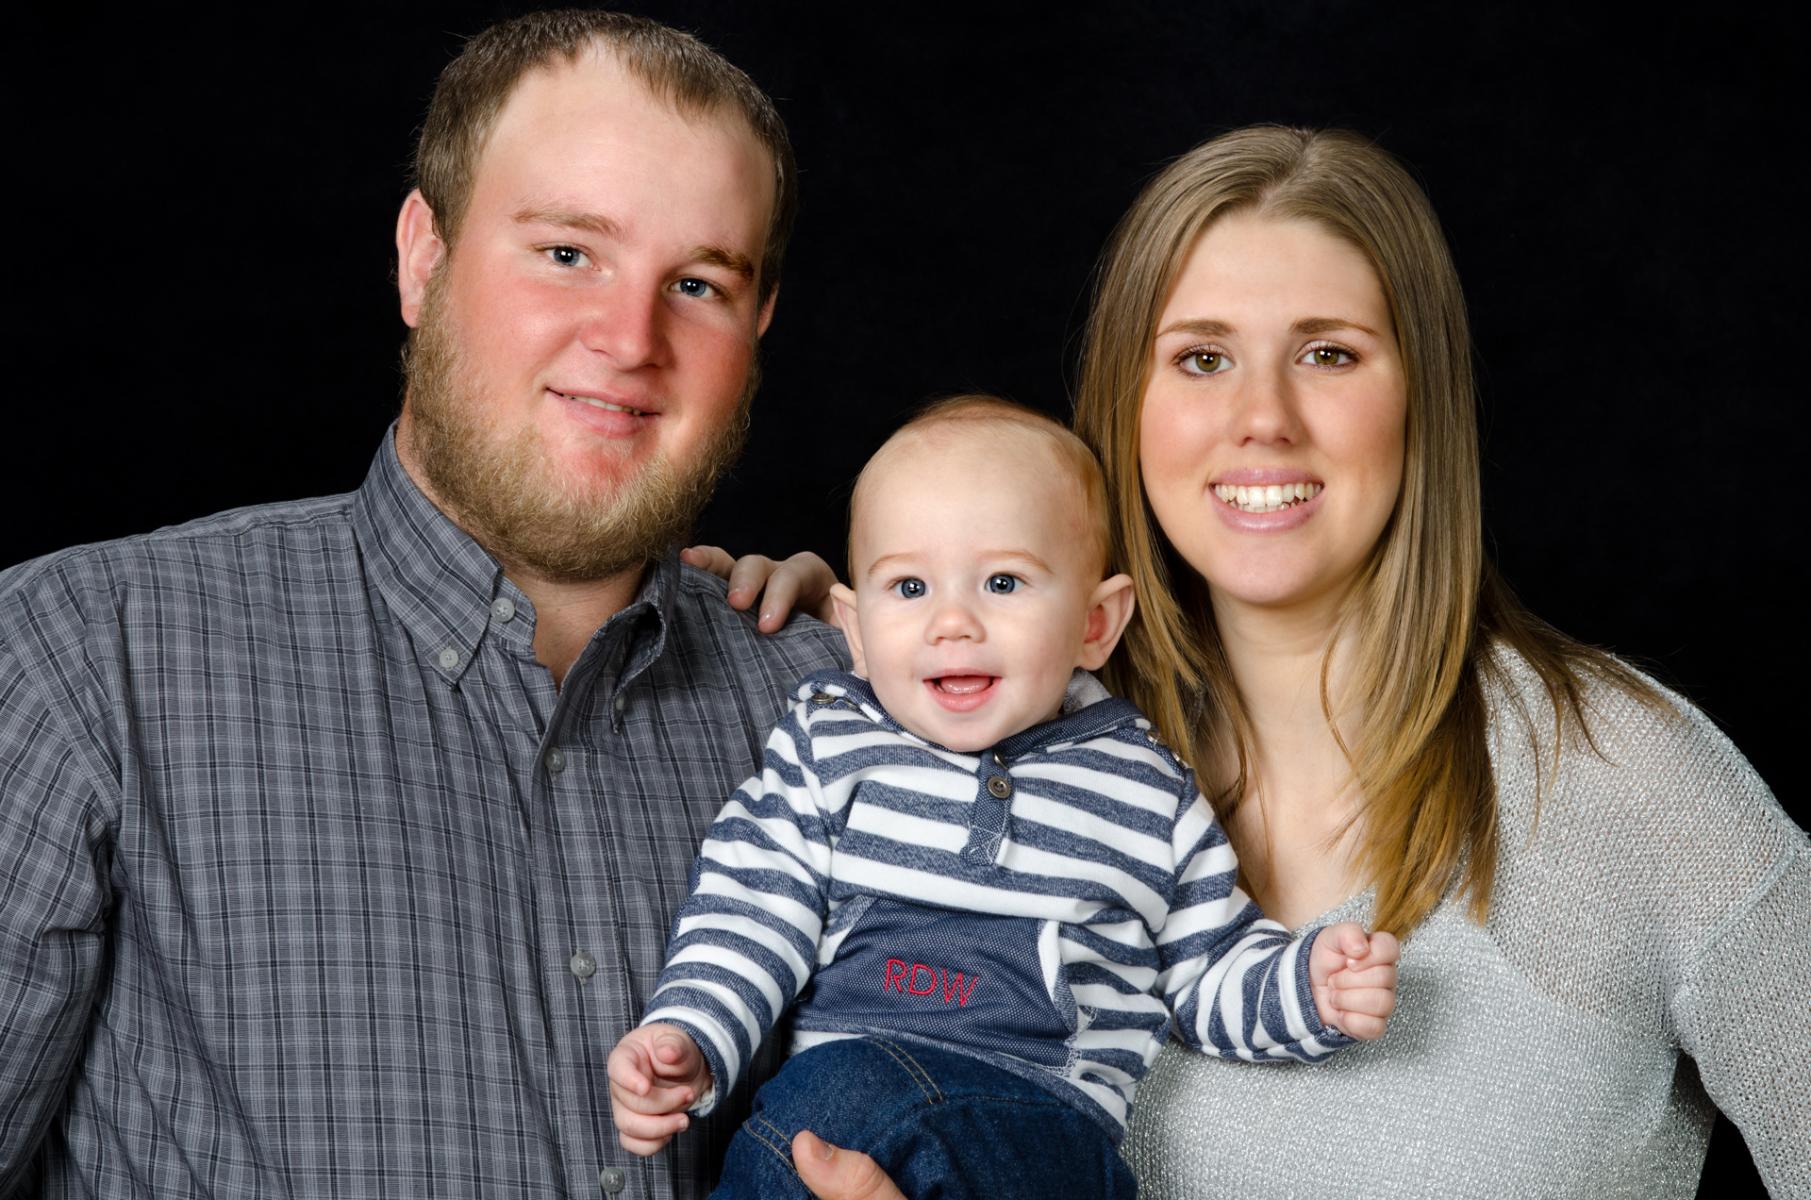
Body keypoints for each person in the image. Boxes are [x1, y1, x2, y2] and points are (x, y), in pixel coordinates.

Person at [704, 127, 1810, 1197]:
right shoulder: (976, 725)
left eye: (1327, 354)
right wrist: (793, 633)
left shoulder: (1629, 787)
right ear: (1127, 408)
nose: (1261, 418)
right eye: (1199, 358)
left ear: (1419, 394)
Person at [0, 11, 851, 1198]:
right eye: (566, 252)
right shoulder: (85, 655)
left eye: (698, 283)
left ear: (755, 328)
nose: (627, 339)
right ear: (422, 256)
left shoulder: (836, 715)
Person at [608, 397, 1399, 1198]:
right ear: (853, 626)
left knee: (835, 1114)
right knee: (821, 1112)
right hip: (850, 1095)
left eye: (1002, 581)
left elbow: (1203, 968)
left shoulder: (1145, 788)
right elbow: (751, 909)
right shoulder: (829, 748)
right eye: (909, 585)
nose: (952, 621)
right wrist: (690, 1034)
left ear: (1095, 622)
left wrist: (1306, 990)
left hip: (1043, 1125)